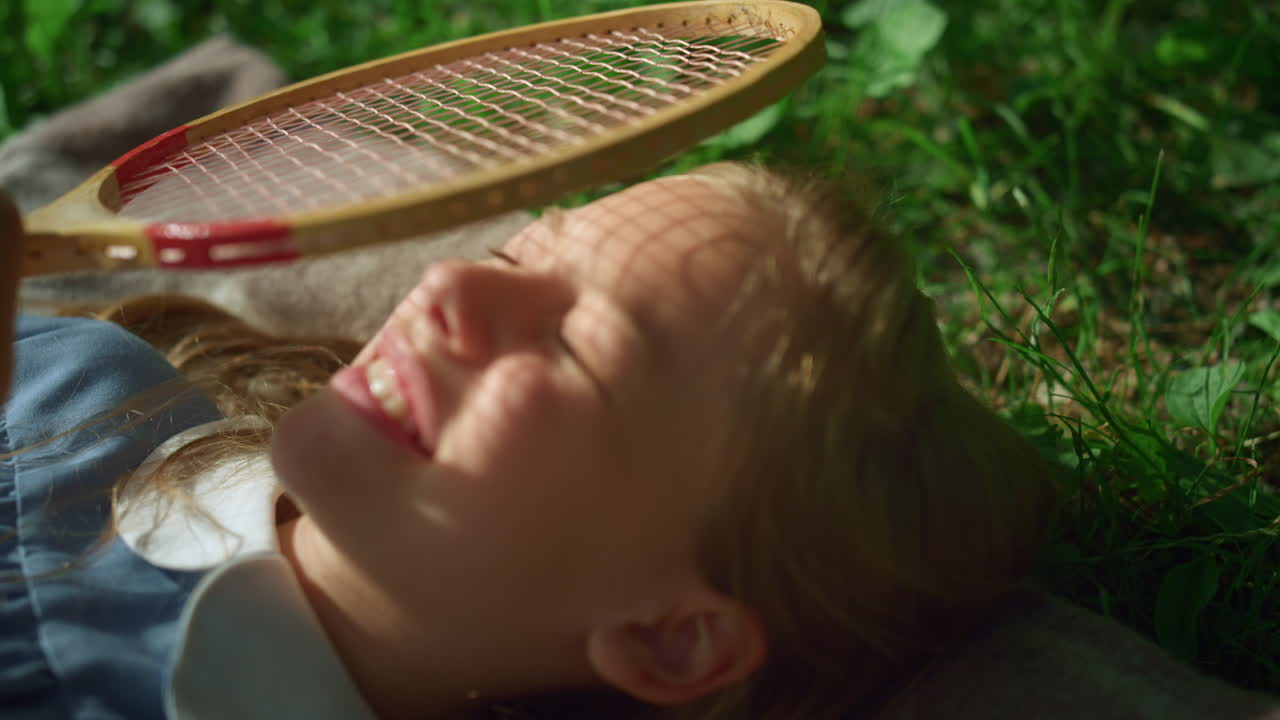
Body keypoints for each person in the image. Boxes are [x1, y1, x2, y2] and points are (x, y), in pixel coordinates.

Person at [0, 162, 1056, 719]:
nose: (448, 287)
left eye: (569, 346)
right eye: (507, 258)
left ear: (667, 638)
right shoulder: (67, 387)